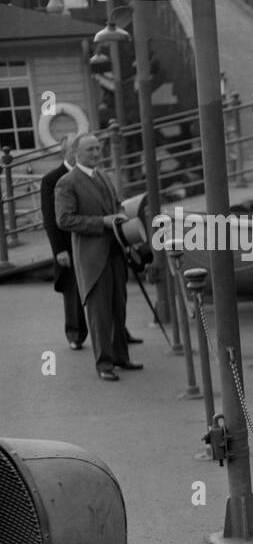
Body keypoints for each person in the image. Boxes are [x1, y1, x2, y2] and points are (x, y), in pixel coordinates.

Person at [54, 134, 141, 381]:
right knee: (99, 313)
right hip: (92, 257)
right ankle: (104, 364)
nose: (96, 153)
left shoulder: (103, 175)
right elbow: (64, 219)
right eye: (91, 149)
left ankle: (121, 357)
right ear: (76, 152)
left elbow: (116, 204)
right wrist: (100, 223)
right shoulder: (67, 182)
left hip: (115, 251)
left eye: (98, 148)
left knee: (118, 308)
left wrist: (121, 216)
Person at [41, 136, 86, 350]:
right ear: (65, 152)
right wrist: (58, 249)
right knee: (72, 289)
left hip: (90, 239)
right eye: (74, 149)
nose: (78, 153)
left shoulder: (88, 174)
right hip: (66, 242)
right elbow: (50, 218)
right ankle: (75, 334)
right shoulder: (51, 179)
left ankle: (119, 331)